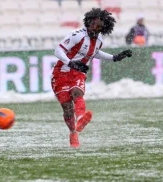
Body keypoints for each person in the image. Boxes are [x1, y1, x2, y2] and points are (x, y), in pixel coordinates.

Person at [51, 8, 132, 148]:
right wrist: (70, 63)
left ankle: (82, 117)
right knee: (67, 108)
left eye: (100, 26)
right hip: (61, 73)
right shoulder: (77, 35)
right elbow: (58, 50)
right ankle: (73, 133)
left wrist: (114, 57)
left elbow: (95, 52)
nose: (96, 28)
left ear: (104, 28)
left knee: (77, 92)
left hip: (78, 73)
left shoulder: (99, 40)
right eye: (94, 24)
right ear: (88, 22)